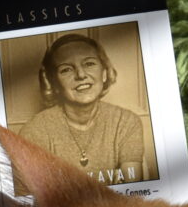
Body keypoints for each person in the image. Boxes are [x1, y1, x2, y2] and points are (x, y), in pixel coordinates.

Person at [19, 33, 145, 185]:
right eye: (66, 70)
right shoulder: (35, 131)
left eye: (89, 64)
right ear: (53, 83)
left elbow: (131, 190)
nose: (80, 75)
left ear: (104, 73)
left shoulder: (126, 122)